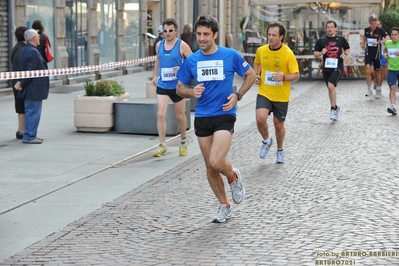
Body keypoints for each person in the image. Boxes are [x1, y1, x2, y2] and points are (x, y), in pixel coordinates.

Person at [176, 15, 256, 223]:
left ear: (215, 35)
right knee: (210, 168)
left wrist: (238, 96)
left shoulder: (230, 55)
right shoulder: (192, 60)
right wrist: (191, 91)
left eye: (206, 34)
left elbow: (251, 75)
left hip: (224, 113)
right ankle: (224, 205)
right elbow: (179, 88)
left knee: (216, 160)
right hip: (202, 116)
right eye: (199, 34)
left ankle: (232, 176)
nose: (201, 39)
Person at [253, 21, 300, 164]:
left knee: (278, 125)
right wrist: (256, 74)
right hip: (265, 91)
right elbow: (257, 62)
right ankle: (267, 141)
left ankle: (280, 150)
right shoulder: (261, 50)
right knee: (260, 119)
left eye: (274, 35)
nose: (271, 37)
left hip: (281, 95)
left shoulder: (288, 53)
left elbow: (296, 75)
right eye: (269, 35)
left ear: (281, 37)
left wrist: (283, 77)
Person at [151, 18, 192, 157]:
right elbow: (158, 59)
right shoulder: (159, 45)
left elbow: (192, 61)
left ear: (176, 31)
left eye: (170, 30)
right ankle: (162, 145)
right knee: (160, 114)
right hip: (163, 84)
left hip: (178, 86)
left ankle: (183, 140)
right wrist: (155, 75)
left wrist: (181, 69)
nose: (167, 33)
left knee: (180, 115)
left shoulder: (182, 45)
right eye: (165, 30)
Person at [14, 29, 50, 144]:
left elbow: (22, 70)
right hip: (34, 88)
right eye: (38, 37)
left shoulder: (24, 50)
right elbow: (30, 71)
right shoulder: (33, 51)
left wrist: (20, 82)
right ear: (34, 38)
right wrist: (21, 83)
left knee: (31, 112)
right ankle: (30, 136)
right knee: (33, 113)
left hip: (29, 88)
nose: (40, 39)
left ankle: (31, 134)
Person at [313, 20, 350, 121]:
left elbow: (347, 48)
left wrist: (344, 54)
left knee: (330, 85)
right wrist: (321, 52)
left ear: (335, 28)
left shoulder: (340, 39)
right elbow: (315, 53)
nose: (330, 29)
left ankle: (333, 109)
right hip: (326, 67)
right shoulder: (322, 40)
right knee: (330, 88)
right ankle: (335, 107)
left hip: (337, 66)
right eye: (328, 27)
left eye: (331, 27)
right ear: (326, 29)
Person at [363, 15, 389, 98]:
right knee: (367, 70)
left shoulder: (380, 30)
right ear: (369, 23)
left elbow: (387, 37)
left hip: (377, 53)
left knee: (377, 72)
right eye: (372, 24)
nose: (373, 25)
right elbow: (365, 37)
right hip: (368, 53)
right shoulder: (366, 30)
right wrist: (363, 43)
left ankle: (378, 89)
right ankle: (369, 89)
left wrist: (379, 42)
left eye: (375, 23)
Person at [10, 26, 28, 139]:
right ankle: (21, 131)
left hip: (16, 81)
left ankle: (21, 130)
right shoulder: (22, 49)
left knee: (20, 105)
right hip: (19, 82)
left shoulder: (17, 47)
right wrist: (22, 83)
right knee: (21, 106)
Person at [383, 27, 399, 115]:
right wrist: (385, 55)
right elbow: (385, 50)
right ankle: (393, 106)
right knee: (392, 87)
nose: (393, 36)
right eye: (392, 35)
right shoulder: (388, 43)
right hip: (392, 69)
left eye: (395, 35)